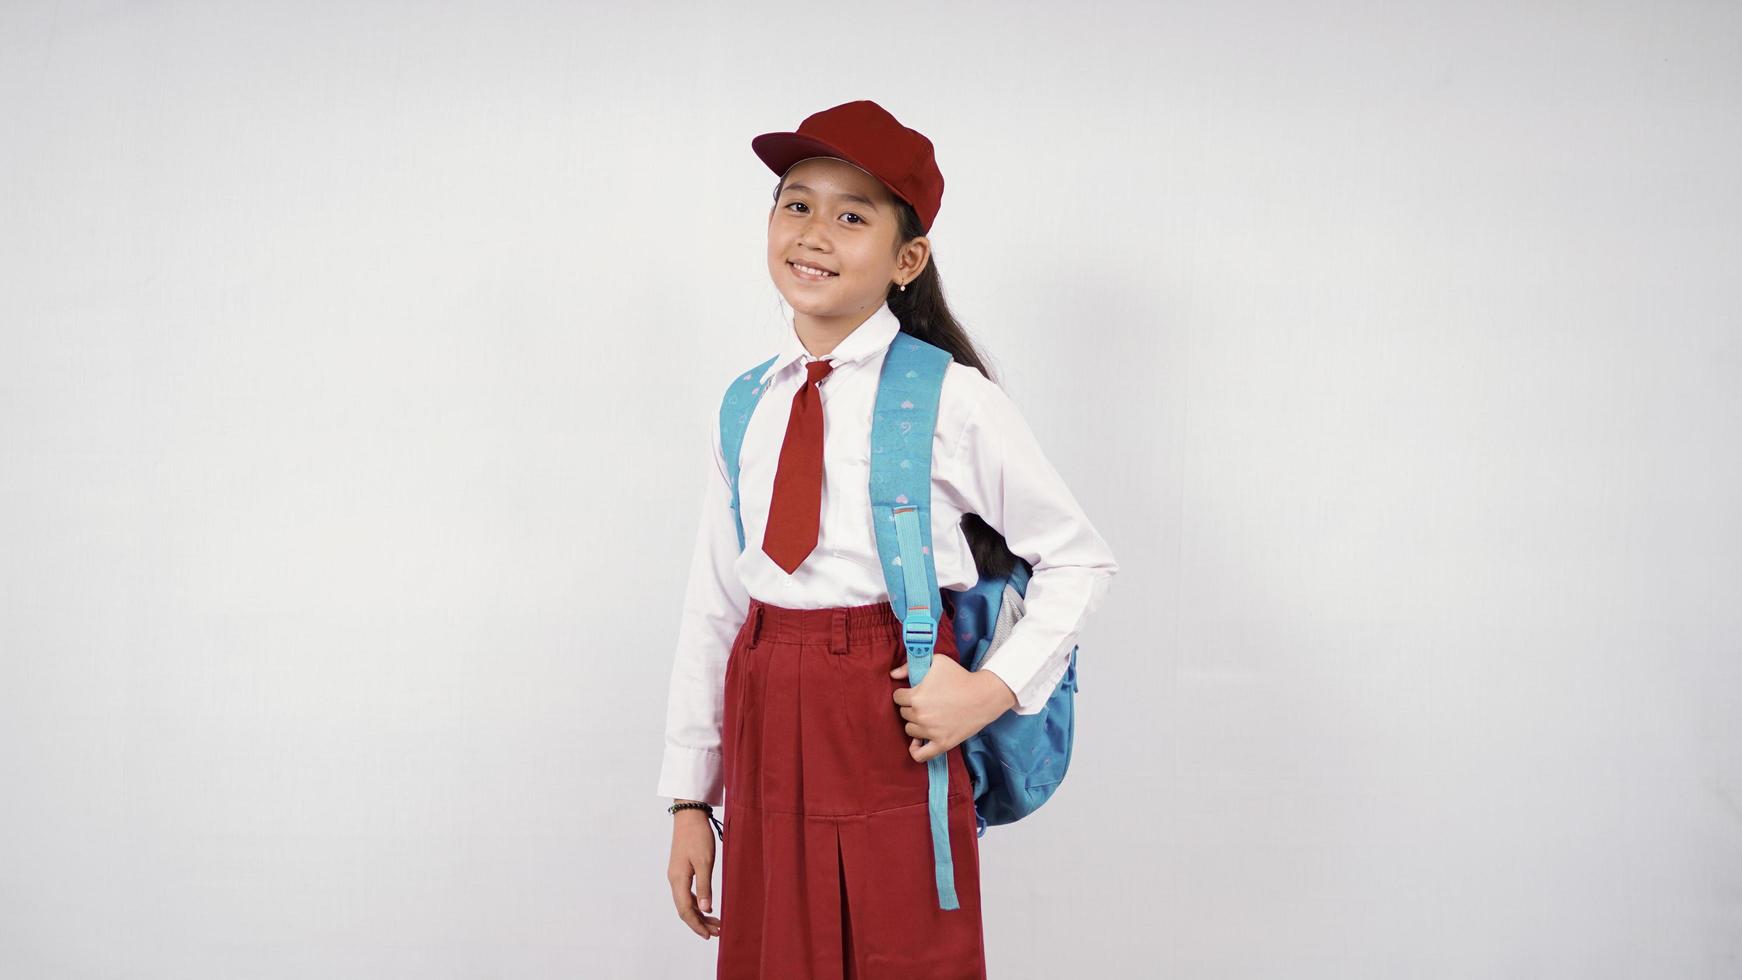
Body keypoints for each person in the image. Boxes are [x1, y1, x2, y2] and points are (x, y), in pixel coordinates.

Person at [657, 99, 1119, 980]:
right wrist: (690, 796)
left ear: (908, 259)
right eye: (796, 203)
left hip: (889, 715)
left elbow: (1078, 557)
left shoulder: (951, 399)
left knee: (903, 955)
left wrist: (989, 691)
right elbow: (716, 605)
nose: (814, 232)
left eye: (852, 214)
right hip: (764, 703)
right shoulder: (746, 403)